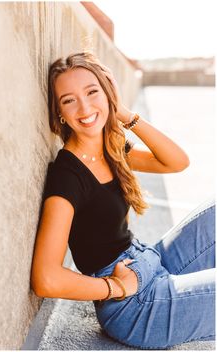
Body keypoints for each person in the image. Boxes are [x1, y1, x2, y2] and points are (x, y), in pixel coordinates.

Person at [31, 52, 215, 349]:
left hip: (148, 261)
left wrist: (126, 115)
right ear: (60, 113)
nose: (85, 107)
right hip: (132, 308)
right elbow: (46, 277)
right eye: (69, 100)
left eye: (93, 92)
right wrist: (113, 287)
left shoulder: (111, 148)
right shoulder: (67, 176)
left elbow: (176, 162)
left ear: (108, 93)